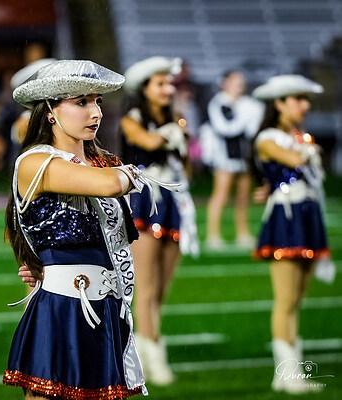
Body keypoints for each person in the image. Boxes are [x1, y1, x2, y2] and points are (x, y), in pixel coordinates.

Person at [3, 59, 181, 399]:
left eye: (97, 101)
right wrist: (129, 172)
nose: (95, 112)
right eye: (81, 102)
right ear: (50, 110)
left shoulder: (101, 161)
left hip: (107, 308)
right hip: (61, 307)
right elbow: (111, 183)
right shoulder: (35, 161)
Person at [120, 56, 199, 385]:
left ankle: (147, 346)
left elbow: (187, 165)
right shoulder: (132, 119)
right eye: (161, 83)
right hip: (145, 201)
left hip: (172, 201)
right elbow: (148, 141)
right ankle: (152, 359)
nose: (168, 89)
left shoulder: (175, 119)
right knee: (147, 287)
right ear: (144, 88)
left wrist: (181, 137)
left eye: (170, 83)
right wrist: (172, 133)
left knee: (162, 288)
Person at [252, 74, 331, 394]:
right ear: (280, 104)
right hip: (287, 219)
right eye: (298, 99)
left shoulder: (296, 136)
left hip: (308, 216)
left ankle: (289, 375)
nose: (305, 106)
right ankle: (288, 374)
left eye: (306, 100)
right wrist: (307, 151)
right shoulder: (267, 137)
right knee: (285, 300)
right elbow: (292, 159)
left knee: (297, 300)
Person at [202, 70, 263, 249]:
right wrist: (246, 117)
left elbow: (252, 130)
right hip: (225, 157)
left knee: (243, 197)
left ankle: (243, 233)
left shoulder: (246, 103)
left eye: (241, 82)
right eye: (236, 82)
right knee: (221, 195)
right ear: (226, 83)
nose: (240, 86)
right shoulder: (218, 103)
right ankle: (213, 235)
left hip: (244, 156)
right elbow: (225, 128)